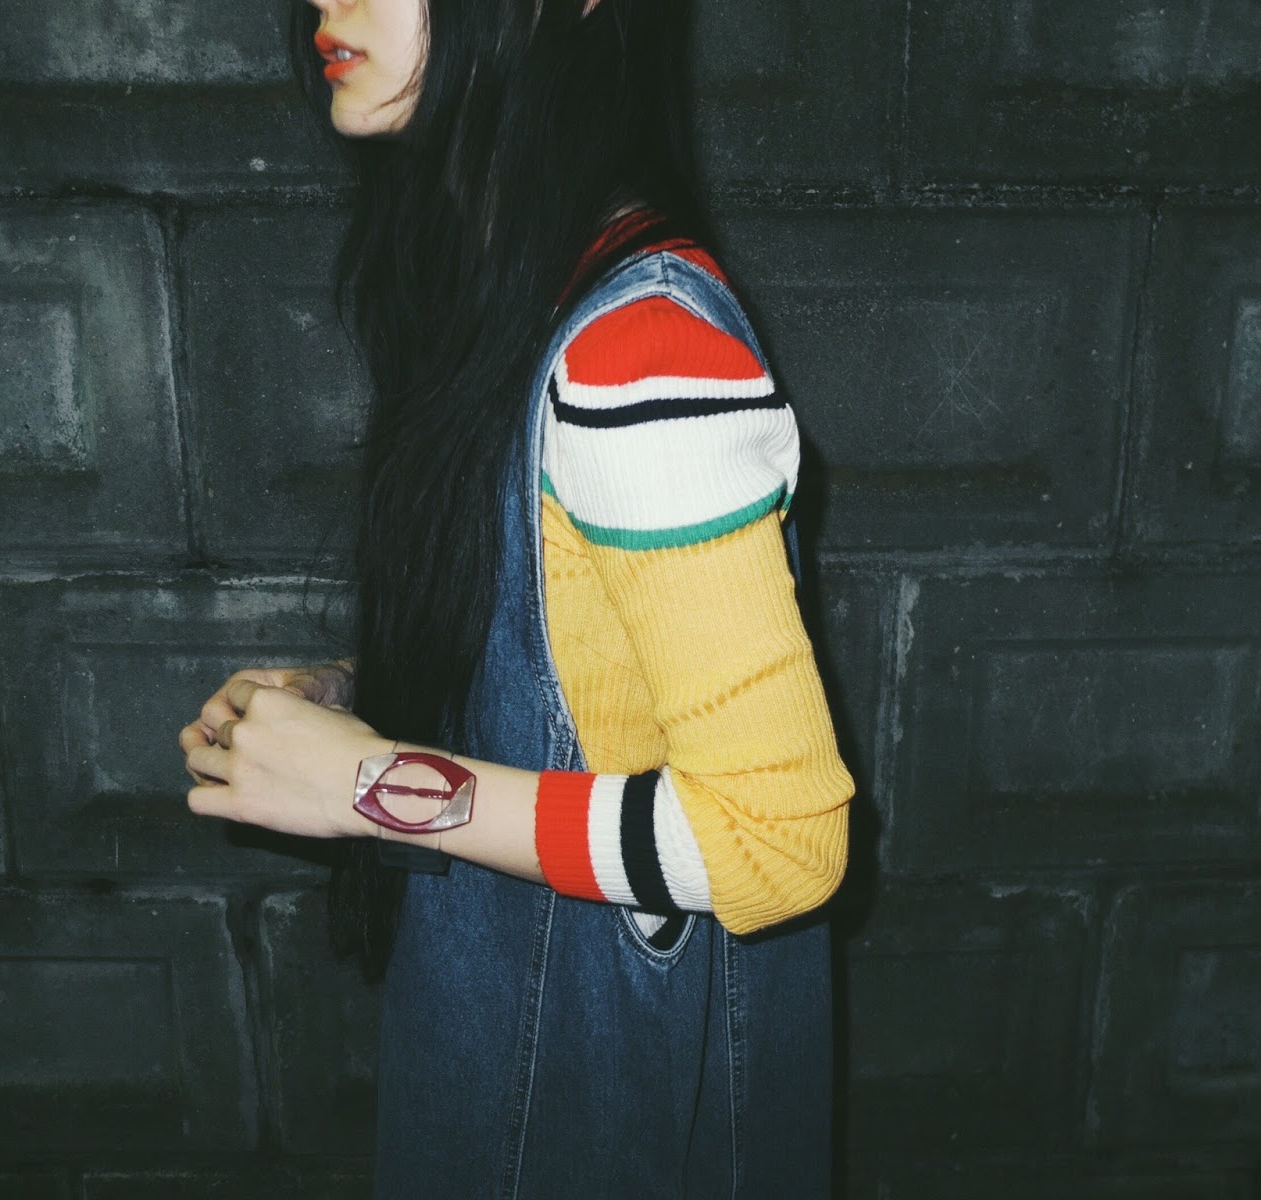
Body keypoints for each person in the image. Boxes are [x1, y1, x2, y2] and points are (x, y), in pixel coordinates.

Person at [178, 0, 854, 1193]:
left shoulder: (642, 354)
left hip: (604, 1083)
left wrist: (367, 785)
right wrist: (346, 702)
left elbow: (780, 841)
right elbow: (579, 681)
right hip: (508, 1040)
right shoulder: (514, 289)